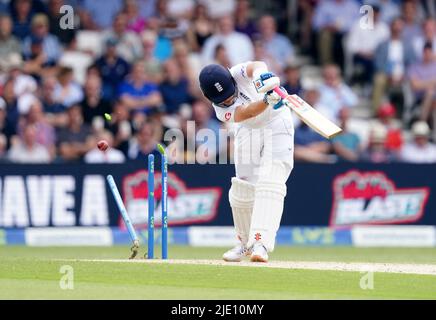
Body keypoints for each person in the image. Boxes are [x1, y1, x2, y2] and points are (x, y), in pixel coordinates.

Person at [198, 61, 293, 263]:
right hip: (249, 126)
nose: (230, 100)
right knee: (243, 185)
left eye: (232, 94)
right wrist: (268, 99)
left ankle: (260, 244)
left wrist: (261, 77)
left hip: (278, 121)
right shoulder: (219, 110)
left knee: (271, 180)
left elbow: (257, 64)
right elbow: (247, 112)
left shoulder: (237, 72)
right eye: (225, 100)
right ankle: (244, 243)